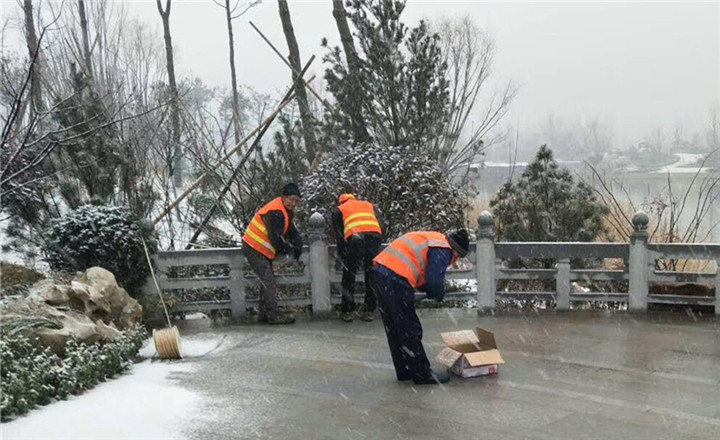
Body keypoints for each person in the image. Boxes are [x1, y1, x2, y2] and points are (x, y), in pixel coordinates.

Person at [371, 229, 470, 385]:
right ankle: (421, 373)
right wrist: (437, 293)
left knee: (395, 327)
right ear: (455, 249)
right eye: (458, 256)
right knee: (409, 327)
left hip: (380, 272)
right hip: (396, 277)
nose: (455, 260)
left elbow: (423, 274)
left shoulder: (434, 239)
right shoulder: (443, 249)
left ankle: (404, 370)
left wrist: (428, 289)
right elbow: (434, 281)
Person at [242, 183, 303, 325]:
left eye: (297, 201)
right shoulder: (276, 211)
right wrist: (289, 249)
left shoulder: (283, 210)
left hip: (259, 248)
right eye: (291, 199)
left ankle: (264, 314)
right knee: (268, 282)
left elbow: (290, 229)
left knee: (266, 281)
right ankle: (274, 315)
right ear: (283, 197)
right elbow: (276, 239)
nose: (294, 204)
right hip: (255, 247)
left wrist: (298, 242)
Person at [331, 193, 383, 322]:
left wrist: (342, 252)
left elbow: (339, 234)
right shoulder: (367, 205)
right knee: (371, 273)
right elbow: (378, 221)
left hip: (356, 238)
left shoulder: (340, 209)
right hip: (375, 236)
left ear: (341, 202)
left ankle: (347, 311)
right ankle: (369, 310)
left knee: (349, 274)